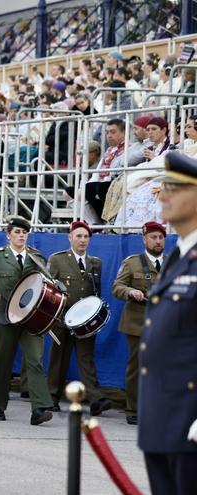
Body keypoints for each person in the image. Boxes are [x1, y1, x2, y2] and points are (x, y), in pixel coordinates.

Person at [136, 152, 197, 493]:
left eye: (176, 187)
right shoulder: (177, 255)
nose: (164, 194)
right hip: (162, 421)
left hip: (190, 423)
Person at [0, 216, 54, 426]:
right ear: (8, 235)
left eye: (24, 233)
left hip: (32, 317)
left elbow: (45, 283)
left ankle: (39, 408)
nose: (21, 236)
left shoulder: (36, 258)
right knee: (2, 362)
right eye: (17, 232)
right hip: (5, 316)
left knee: (35, 361)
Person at [46, 221, 110, 415]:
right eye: (79, 236)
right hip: (62, 319)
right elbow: (48, 287)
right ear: (70, 238)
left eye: (86, 237)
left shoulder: (95, 262)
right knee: (59, 360)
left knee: (86, 359)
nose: (82, 240)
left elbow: (94, 291)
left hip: (85, 321)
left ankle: (96, 400)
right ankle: (51, 397)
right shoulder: (57, 260)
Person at [112, 221, 166, 426]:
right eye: (153, 237)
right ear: (144, 239)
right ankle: (133, 408)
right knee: (138, 366)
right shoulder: (133, 263)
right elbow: (117, 287)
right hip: (138, 322)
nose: (158, 241)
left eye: (161, 237)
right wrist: (130, 292)